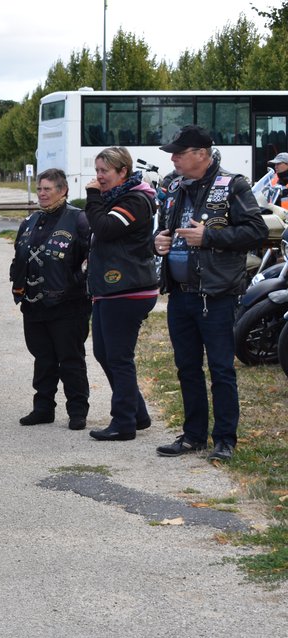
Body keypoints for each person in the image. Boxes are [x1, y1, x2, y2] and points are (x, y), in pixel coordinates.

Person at [153, 125, 265, 462]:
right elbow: (166, 229)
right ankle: (193, 436)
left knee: (221, 370)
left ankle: (225, 439)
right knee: (187, 368)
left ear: (201, 154)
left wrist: (210, 237)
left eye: (179, 153)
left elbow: (256, 231)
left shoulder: (232, 185)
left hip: (216, 295)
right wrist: (159, 241)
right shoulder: (175, 186)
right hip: (180, 294)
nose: (173, 159)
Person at [84, 146, 159, 441]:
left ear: (123, 171)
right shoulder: (115, 198)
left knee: (118, 357)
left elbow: (104, 228)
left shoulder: (135, 200)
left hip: (129, 289)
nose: (98, 177)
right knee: (104, 353)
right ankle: (137, 414)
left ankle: (124, 422)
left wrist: (92, 197)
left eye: (104, 171)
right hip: (109, 289)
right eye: (97, 170)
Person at [9, 170, 91, 430]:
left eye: (48, 189)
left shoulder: (79, 219)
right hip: (33, 304)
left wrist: (75, 281)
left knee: (71, 359)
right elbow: (18, 256)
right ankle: (43, 408)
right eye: (39, 189)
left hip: (69, 305)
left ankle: (77, 411)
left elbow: (92, 258)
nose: (42, 194)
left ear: (62, 190)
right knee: (43, 359)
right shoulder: (31, 221)